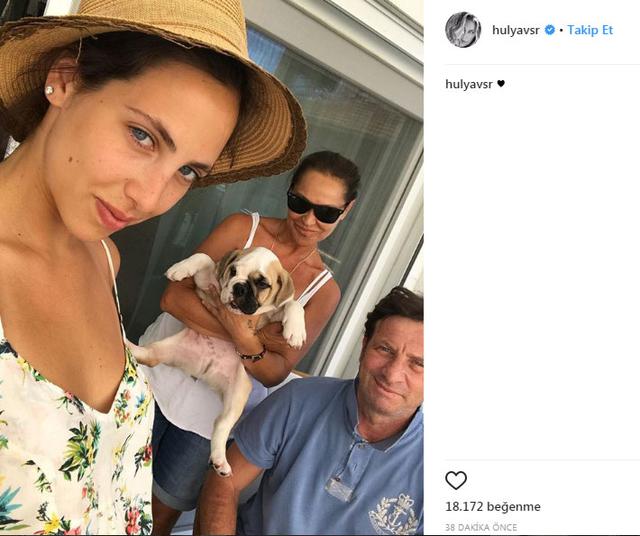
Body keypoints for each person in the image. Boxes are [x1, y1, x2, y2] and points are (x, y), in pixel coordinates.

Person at [0, 0, 305, 533]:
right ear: (65, 79)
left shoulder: (104, 257)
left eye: (187, 171)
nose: (150, 198)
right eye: (142, 135)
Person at [140, 150, 360, 534]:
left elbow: (274, 372)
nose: (308, 220)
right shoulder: (243, 228)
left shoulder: (324, 291)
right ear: (288, 192)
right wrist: (250, 334)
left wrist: (230, 321)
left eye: (326, 213)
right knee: (101, 475)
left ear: (347, 211)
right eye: (299, 203)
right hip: (155, 373)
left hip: (207, 417)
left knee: (158, 515)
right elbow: (173, 298)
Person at [197, 286, 424, 536]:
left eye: (418, 363)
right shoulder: (300, 400)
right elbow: (225, 480)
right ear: (363, 347)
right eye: (385, 350)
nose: (392, 374)